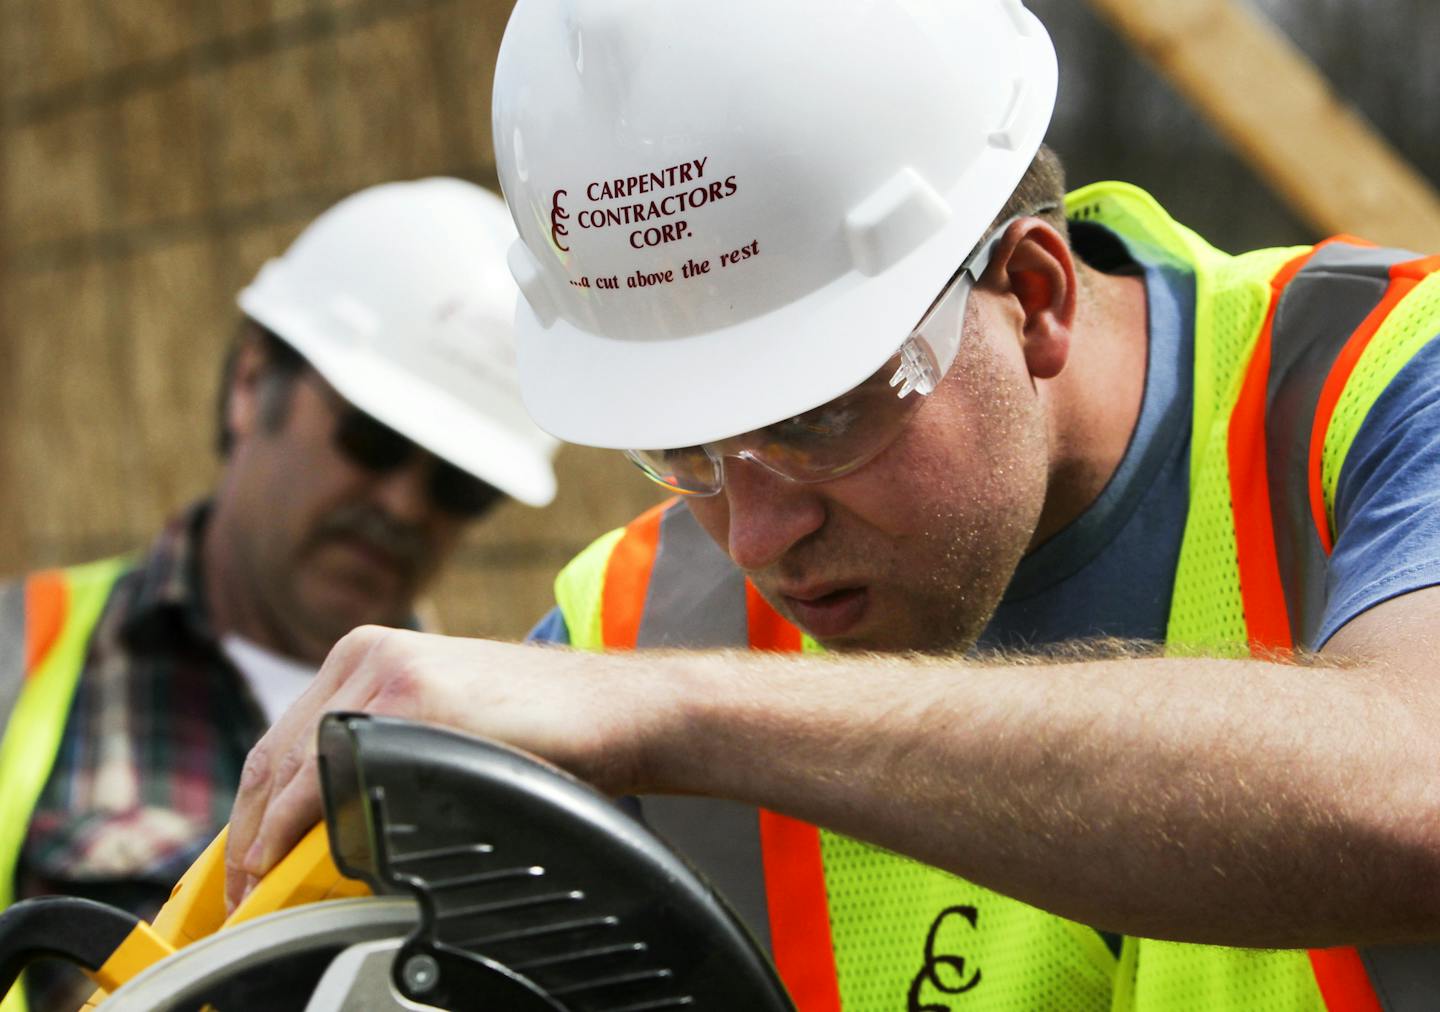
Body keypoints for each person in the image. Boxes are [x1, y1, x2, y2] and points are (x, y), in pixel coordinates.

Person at [225, 1, 1440, 1009]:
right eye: (680, 447)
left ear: (1033, 292)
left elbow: (1413, 790)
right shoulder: (633, 623)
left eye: (816, 419)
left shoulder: (1386, 381)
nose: (757, 539)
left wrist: (677, 716)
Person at [0, 177, 559, 1012]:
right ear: (250, 384)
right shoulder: (18, 655)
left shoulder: (490, 756)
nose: (405, 505)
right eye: (371, 439)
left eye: (460, 485)